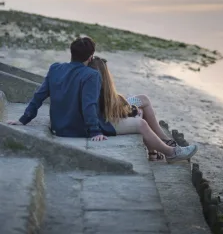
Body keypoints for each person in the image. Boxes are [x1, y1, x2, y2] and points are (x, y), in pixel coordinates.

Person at [6, 37, 197, 163]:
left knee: (140, 110)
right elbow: (88, 105)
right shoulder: (91, 75)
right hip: (79, 127)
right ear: (90, 57)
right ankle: (171, 153)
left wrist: (23, 119)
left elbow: (39, 95)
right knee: (141, 124)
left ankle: (163, 148)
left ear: (71, 53)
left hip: (60, 126)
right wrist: (95, 131)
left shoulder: (55, 68)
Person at [89, 56, 194, 162]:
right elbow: (110, 110)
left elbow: (113, 104)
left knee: (143, 99)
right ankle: (167, 150)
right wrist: (132, 111)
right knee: (141, 116)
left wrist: (131, 108)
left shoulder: (98, 85)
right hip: (107, 117)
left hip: (114, 109)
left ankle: (160, 145)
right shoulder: (97, 86)